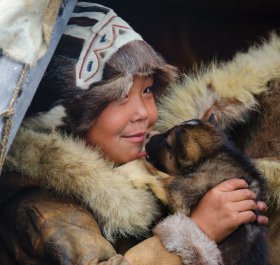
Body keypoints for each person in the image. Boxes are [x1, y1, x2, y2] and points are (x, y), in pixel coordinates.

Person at [0, 2, 268, 265]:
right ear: (65, 115)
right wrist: (196, 232)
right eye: (120, 95)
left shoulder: (148, 169)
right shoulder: (42, 208)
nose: (143, 112)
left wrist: (233, 223)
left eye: (147, 90)